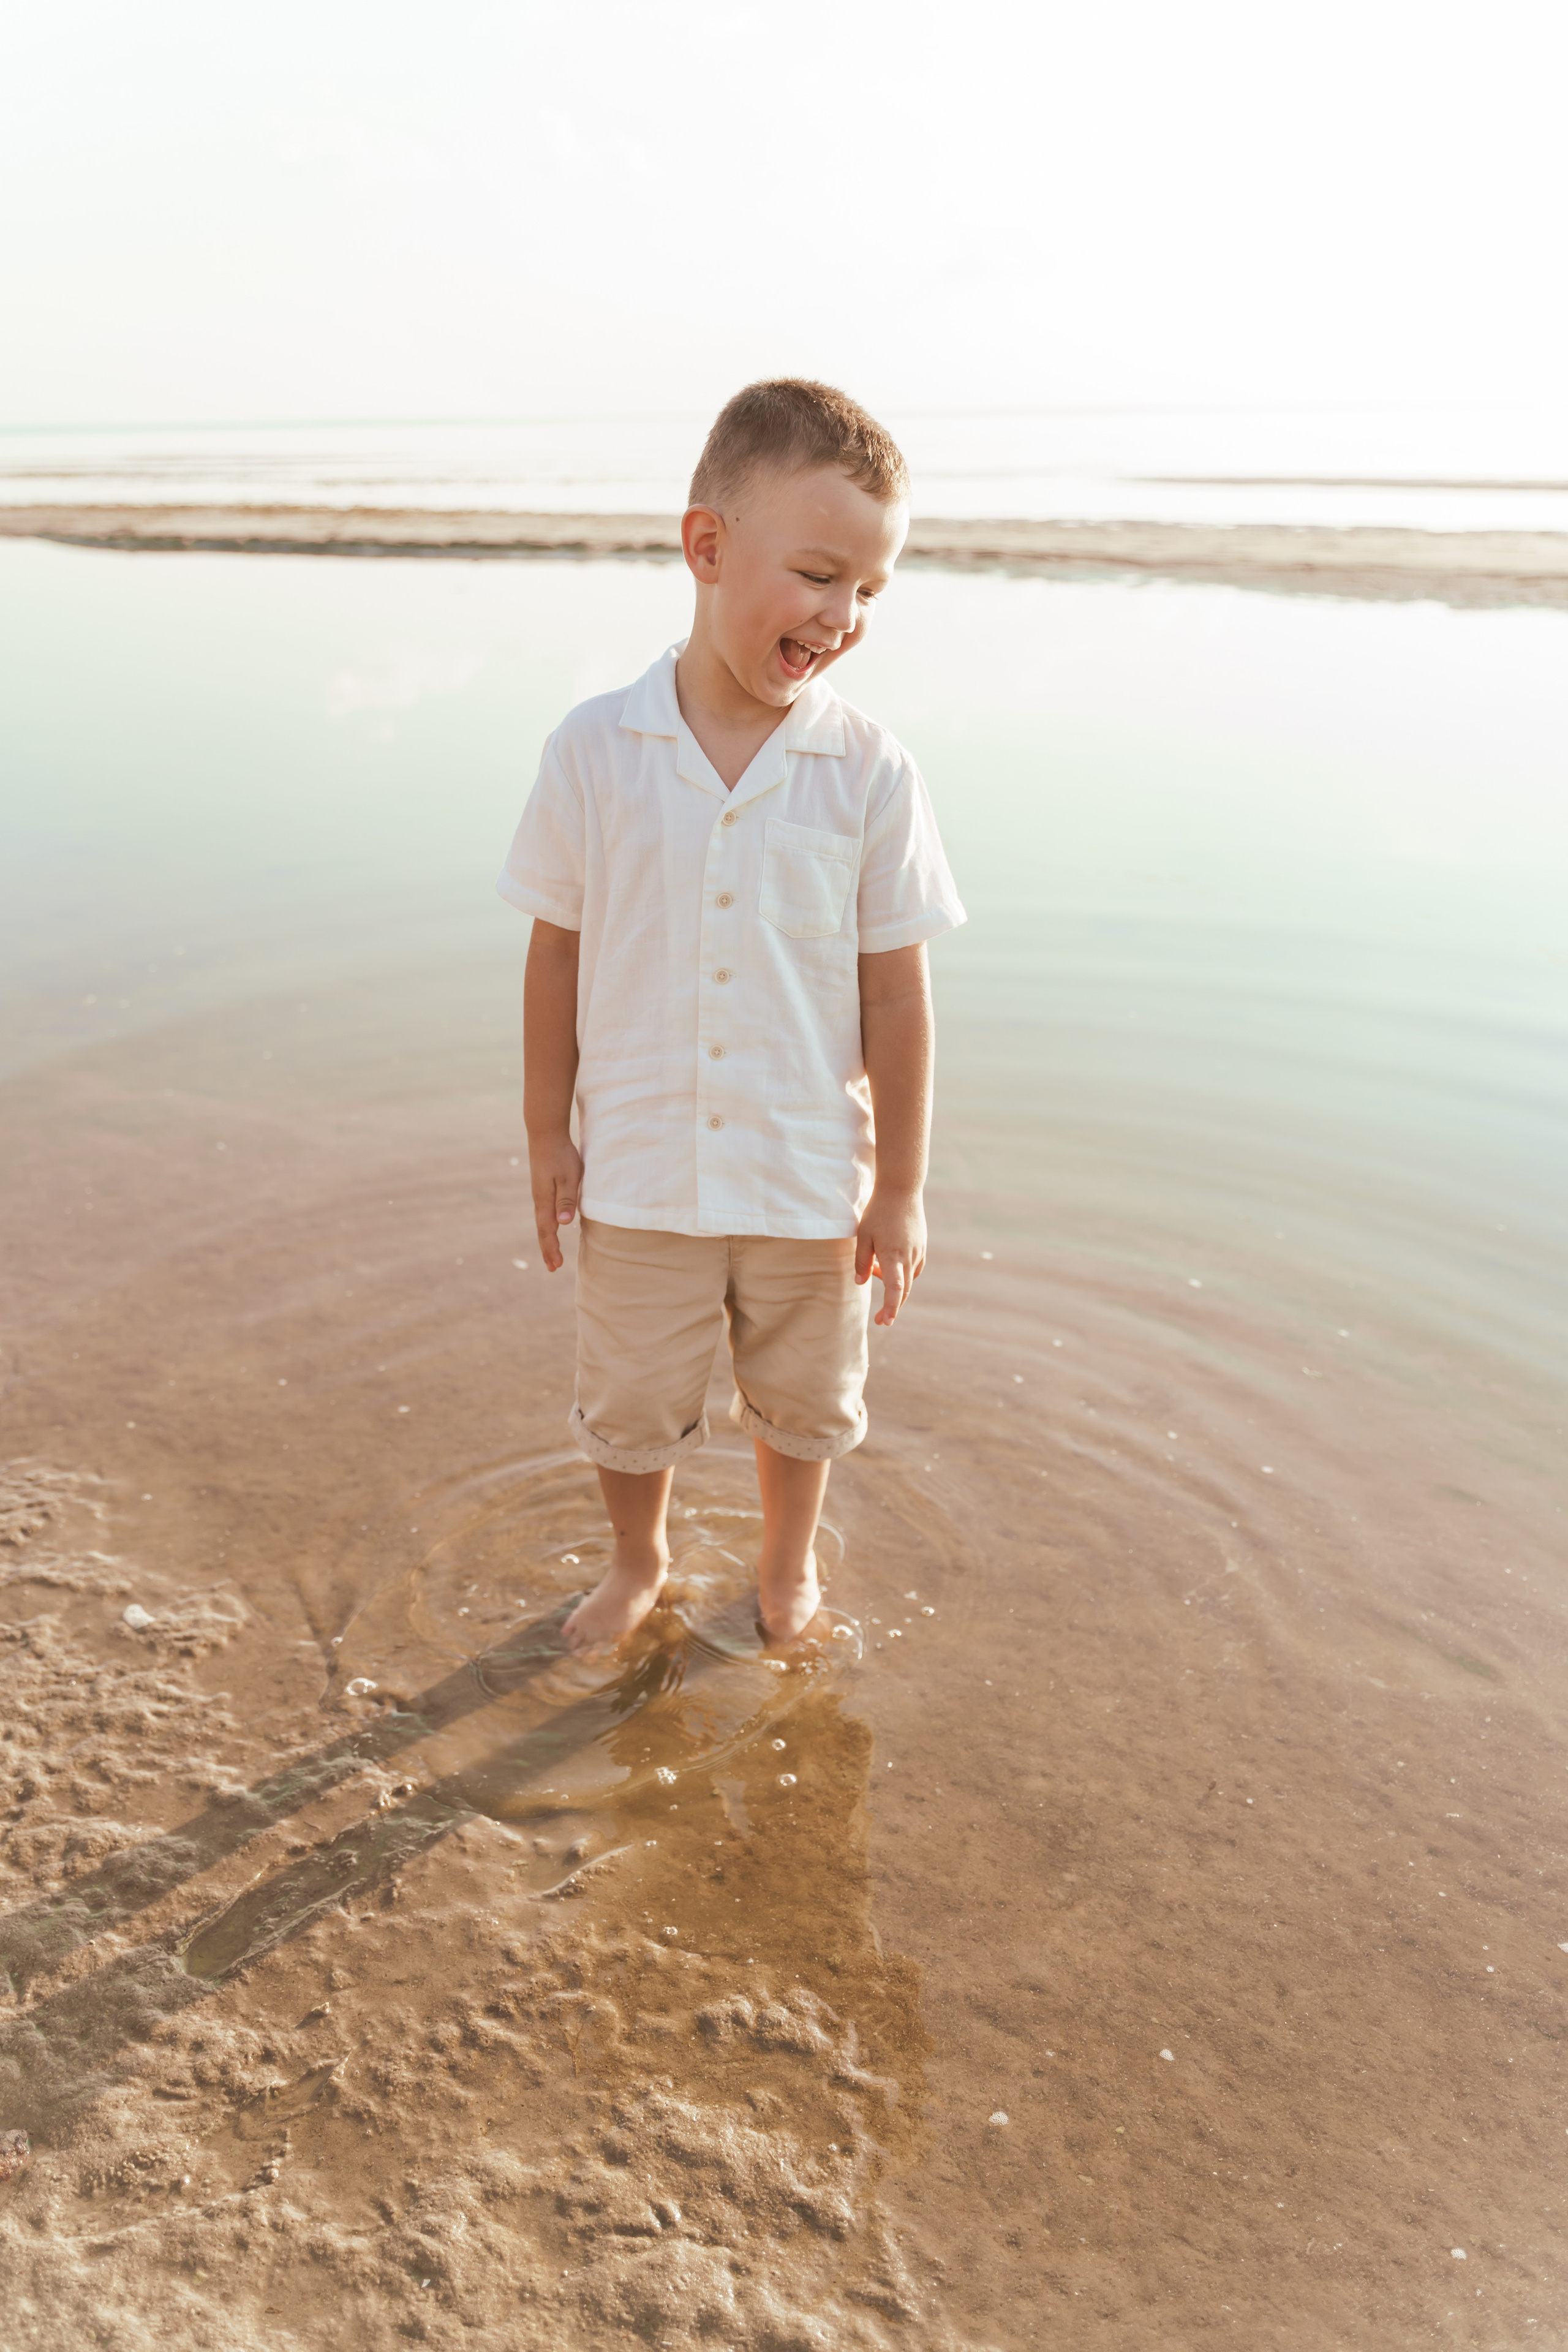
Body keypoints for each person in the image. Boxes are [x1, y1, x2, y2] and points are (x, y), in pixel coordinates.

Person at [497, 379, 965, 1653]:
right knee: (630, 1398)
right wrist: (545, 1133)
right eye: (818, 575)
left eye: (870, 590)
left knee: (804, 1399)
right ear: (707, 546)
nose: (843, 616)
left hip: (807, 1176)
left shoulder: (868, 771)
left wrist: (900, 1187)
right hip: (642, 1165)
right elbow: (555, 951)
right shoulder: (596, 750)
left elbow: (895, 989)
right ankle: (638, 1558)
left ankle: (785, 1560)